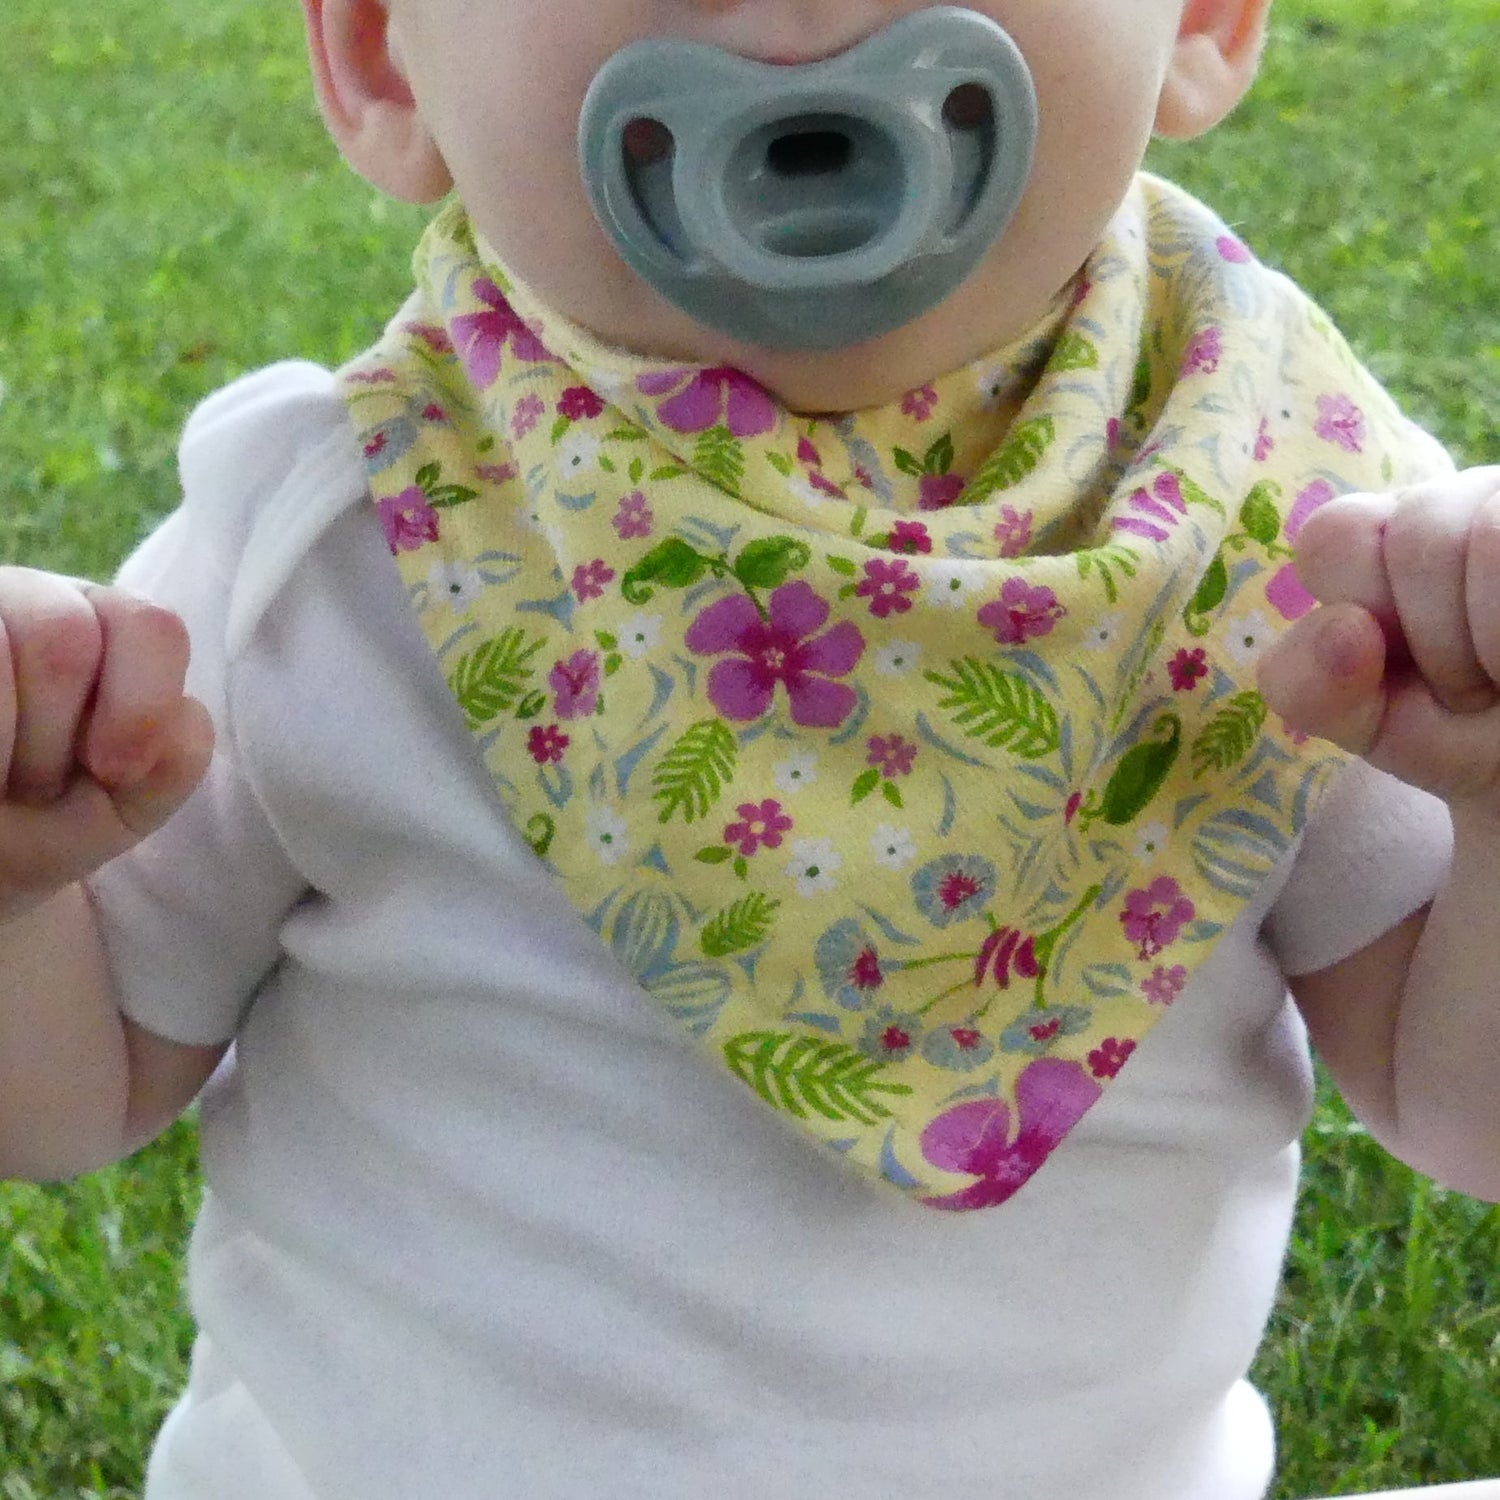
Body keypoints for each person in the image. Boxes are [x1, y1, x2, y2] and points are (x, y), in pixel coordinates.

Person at [2, 0, 1498, 1496]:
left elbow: (1464, 1114)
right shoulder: (332, 554)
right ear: (390, 59)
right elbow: (69, 1098)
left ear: (1206, 22)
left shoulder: (1297, 529)